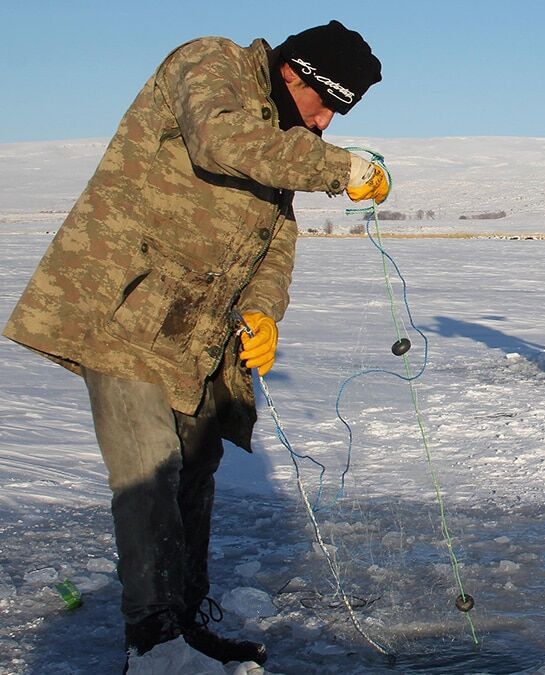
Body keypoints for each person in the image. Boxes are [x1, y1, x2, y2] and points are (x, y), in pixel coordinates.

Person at [3, 20, 388, 671]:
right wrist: (340, 168)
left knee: (193, 465)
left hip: (198, 329)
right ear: (294, 73)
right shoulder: (212, 63)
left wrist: (263, 312)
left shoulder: (286, 140)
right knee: (149, 471)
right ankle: (153, 644)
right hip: (126, 308)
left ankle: (183, 621)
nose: (324, 122)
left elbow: (275, 240)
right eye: (325, 104)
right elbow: (219, 141)